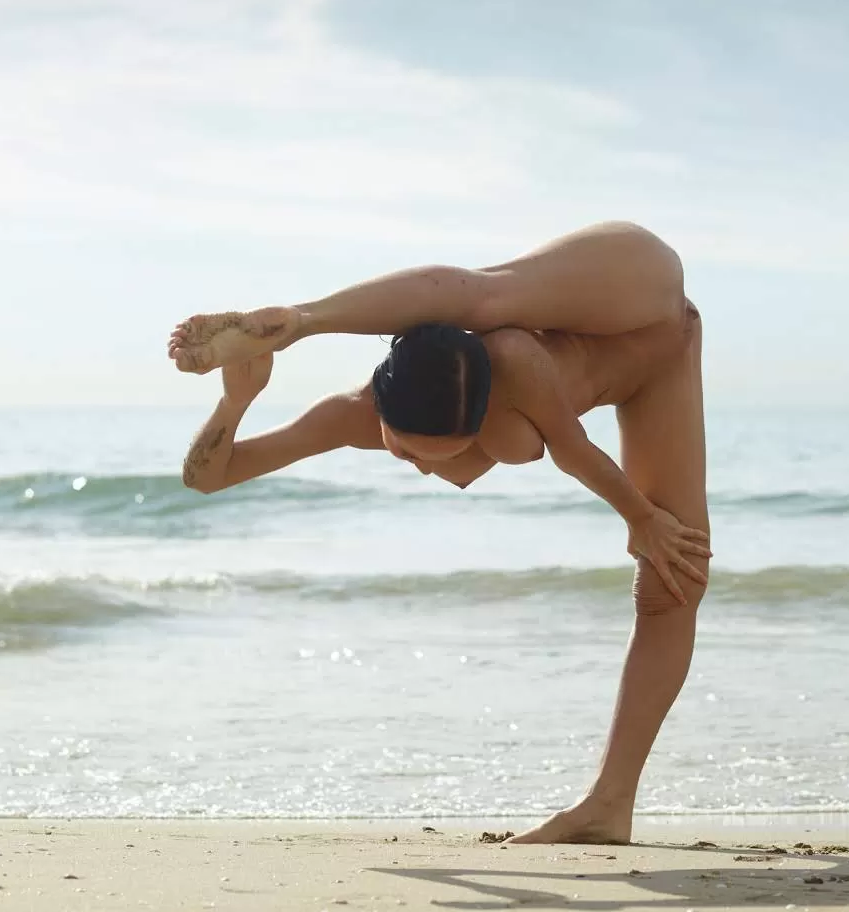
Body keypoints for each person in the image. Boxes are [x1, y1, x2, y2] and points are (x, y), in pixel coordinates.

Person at [168, 222, 710, 845]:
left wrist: (642, 521)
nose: (426, 466)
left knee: (486, 299)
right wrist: (237, 399)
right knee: (674, 583)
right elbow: (207, 479)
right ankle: (608, 808)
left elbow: (573, 448)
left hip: (634, 287)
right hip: (662, 357)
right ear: (383, 414)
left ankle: (298, 320)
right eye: (409, 454)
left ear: (480, 412)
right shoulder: (355, 416)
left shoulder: (512, 362)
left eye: (438, 454)